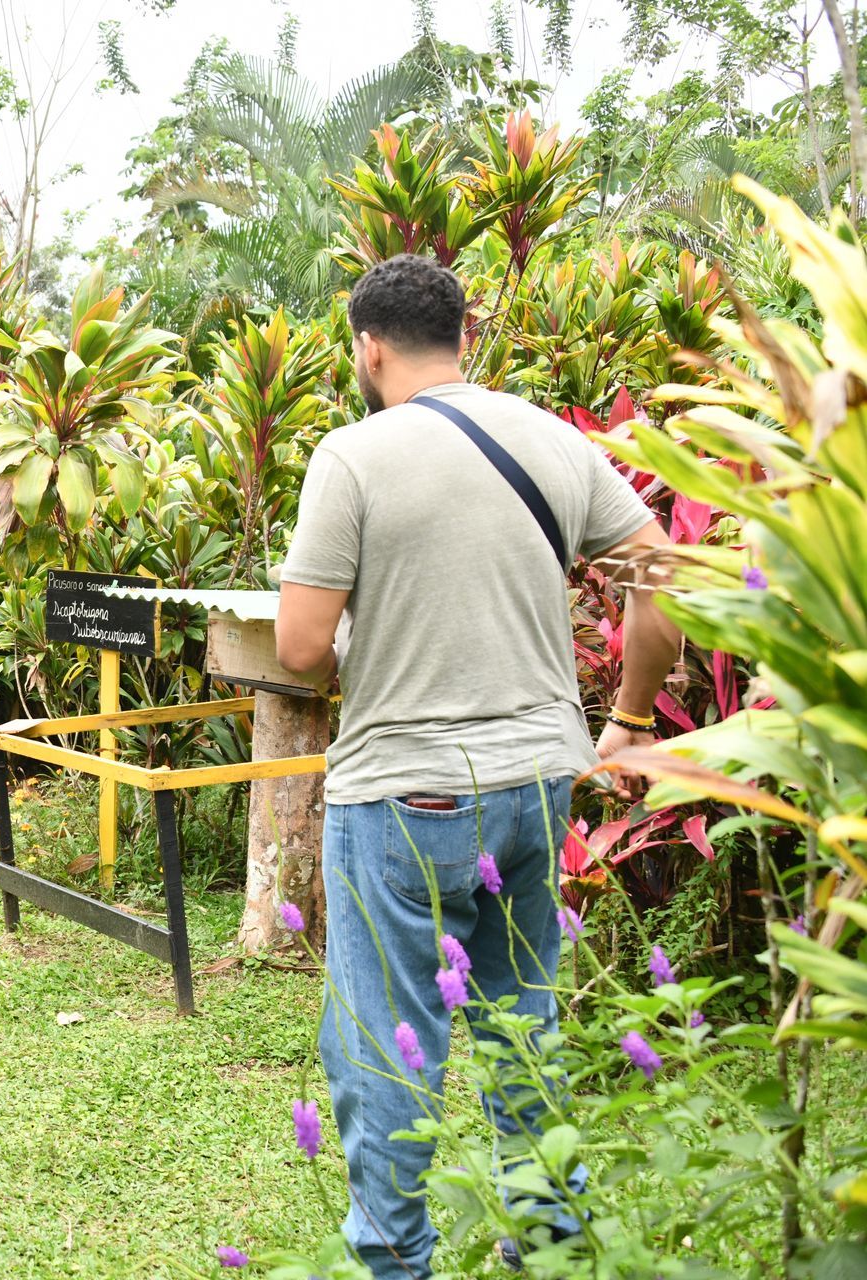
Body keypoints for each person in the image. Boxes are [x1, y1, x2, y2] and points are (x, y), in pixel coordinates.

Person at [274, 255, 681, 1277]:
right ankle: (551, 1242)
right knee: (522, 1022)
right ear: (465, 336)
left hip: (401, 795)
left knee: (386, 1041)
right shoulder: (554, 440)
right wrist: (630, 719)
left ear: (369, 347)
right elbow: (665, 579)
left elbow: (298, 647)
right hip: (538, 784)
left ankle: (393, 1260)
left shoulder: (353, 456)